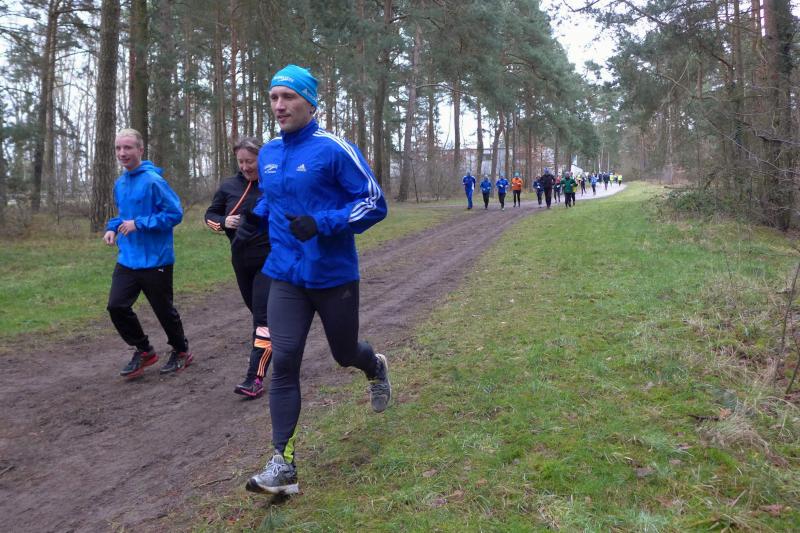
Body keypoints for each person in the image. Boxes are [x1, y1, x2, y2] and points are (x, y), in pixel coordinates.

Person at [245, 64, 390, 496]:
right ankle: (283, 464)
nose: (279, 105)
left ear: (310, 102)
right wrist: (253, 218)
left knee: (344, 353)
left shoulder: (334, 149)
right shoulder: (269, 153)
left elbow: (374, 202)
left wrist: (322, 223)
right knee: (285, 361)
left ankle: (374, 366)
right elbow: (276, 200)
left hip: (332, 274)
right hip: (285, 274)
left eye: (288, 97)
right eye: (274, 97)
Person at [103, 128, 192, 379]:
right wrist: (112, 228)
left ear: (140, 150)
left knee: (164, 310)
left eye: (128, 147)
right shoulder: (120, 183)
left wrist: (139, 224)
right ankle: (144, 350)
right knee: (116, 306)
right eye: (119, 148)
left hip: (156, 259)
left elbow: (175, 214)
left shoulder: (154, 181)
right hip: (128, 258)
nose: (122, 153)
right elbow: (124, 215)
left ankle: (181, 351)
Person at [205, 137, 272, 398]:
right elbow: (209, 216)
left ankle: (254, 378)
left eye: (250, 161)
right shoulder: (229, 186)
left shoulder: (272, 184)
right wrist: (224, 222)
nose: (245, 167)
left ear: (261, 158)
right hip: (241, 260)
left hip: (270, 260)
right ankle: (283, 342)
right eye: (241, 162)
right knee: (259, 313)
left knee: (262, 319)